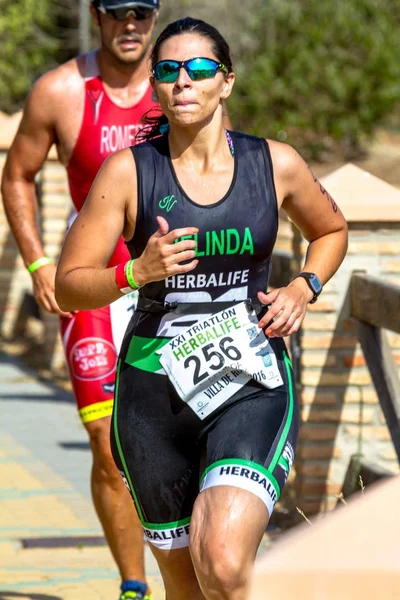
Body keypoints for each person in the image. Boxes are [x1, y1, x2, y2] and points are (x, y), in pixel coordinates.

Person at [54, 16, 348, 600]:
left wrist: (302, 288)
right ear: (157, 87)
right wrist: (136, 271)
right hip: (152, 397)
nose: (183, 81)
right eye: (168, 71)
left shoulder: (275, 164)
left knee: (224, 559)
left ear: (227, 82)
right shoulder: (129, 172)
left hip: (250, 378)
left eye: (200, 68)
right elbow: (69, 286)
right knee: (186, 584)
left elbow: (332, 229)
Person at [1, 1, 164, 598]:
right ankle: (133, 585)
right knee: (108, 443)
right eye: (118, 11)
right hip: (91, 284)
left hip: (169, 285)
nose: (131, 25)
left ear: (155, 14)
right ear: (96, 15)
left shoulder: (179, 82)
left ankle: (191, 570)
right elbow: (17, 172)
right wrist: (39, 261)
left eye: (142, 12)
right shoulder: (61, 90)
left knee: (181, 432)